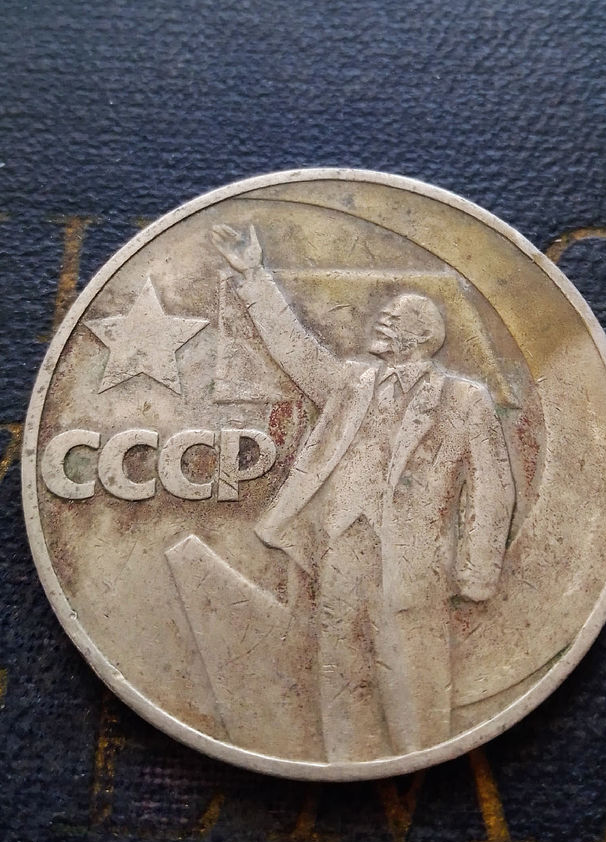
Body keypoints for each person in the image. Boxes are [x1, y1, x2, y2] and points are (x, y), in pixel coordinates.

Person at [211, 223, 515, 761]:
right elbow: (295, 351)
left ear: (421, 335)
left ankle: (422, 761)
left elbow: (492, 487)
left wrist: (477, 572)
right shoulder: (351, 383)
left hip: (415, 562)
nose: (381, 321)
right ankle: (344, 763)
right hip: (341, 549)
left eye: (393, 318)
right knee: (340, 672)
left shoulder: (464, 399)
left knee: (414, 677)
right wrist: (254, 276)